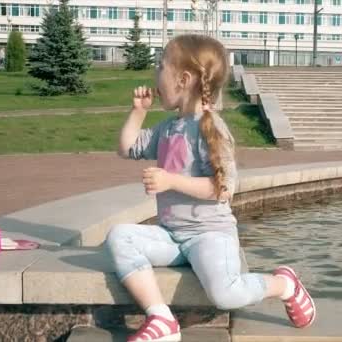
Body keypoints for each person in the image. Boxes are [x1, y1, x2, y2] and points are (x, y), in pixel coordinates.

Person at [106, 34, 316, 342]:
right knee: (119, 237)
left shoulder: (210, 127)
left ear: (183, 79)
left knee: (224, 293)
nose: (155, 73)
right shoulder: (168, 127)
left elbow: (223, 189)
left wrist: (171, 180)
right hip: (172, 236)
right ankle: (161, 318)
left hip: (209, 235)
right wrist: (138, 112)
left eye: (161, 66)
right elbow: (126, 148)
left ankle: (284, 284)